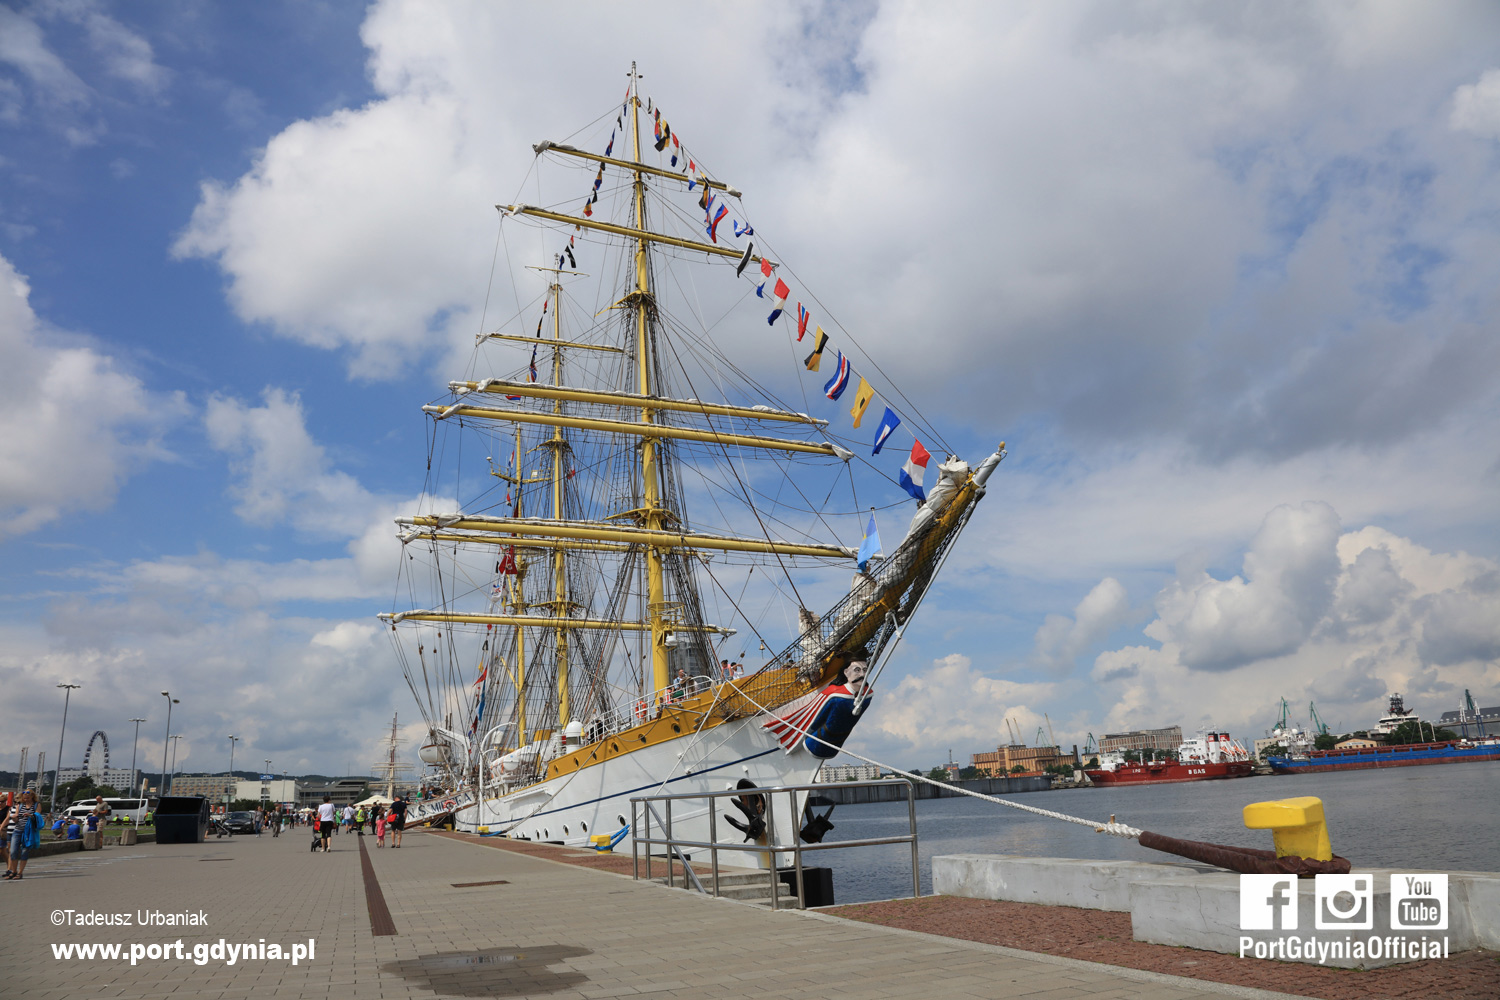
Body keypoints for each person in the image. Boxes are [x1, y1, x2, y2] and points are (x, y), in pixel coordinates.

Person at [4, 790, 41, 879]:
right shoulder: (20, 805)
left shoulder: (36, 805)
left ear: (32, 797)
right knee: (13, 852)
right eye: (24, 797)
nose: (25, 799)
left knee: (24, 852)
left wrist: (30, 815)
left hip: (28, 832)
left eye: (27, 797)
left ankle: (20, 873)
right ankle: (14, 871)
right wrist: (14, 818)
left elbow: (38, 817)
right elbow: (17, 819)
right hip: (17, 830)